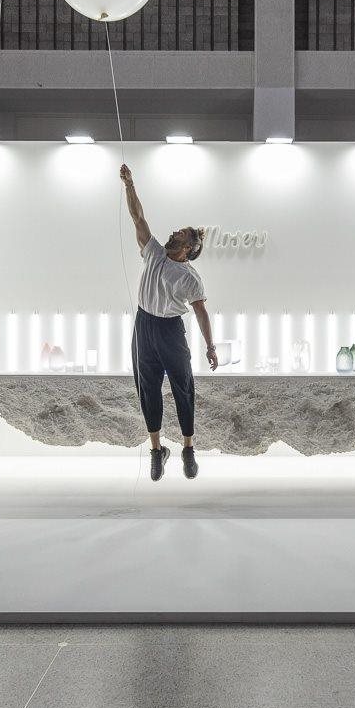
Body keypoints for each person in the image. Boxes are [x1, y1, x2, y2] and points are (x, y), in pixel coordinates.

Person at [120, 164, 218, 481]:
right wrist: (129, 184)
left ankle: (188, 448)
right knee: (147, 387)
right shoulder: (153, 252)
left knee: (183, 387)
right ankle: (156, 450)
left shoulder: (190, 277)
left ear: (188, 248)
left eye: (181, 234)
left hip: (170, 331)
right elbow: (138, 217)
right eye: (177, 231)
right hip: (143, 326)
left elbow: (201, 312)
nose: (174, 232)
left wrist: (211, 347)